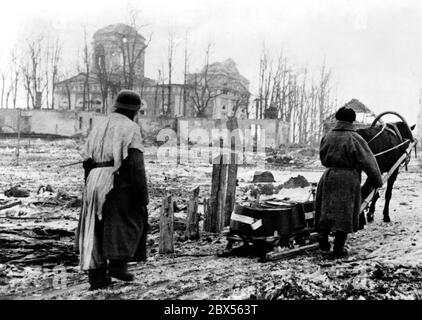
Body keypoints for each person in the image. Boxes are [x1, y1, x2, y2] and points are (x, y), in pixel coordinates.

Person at [75, 89, 149, 290]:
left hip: (93, 179)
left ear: (116, 107)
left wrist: (90, 186)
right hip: (116, 180)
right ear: (134, 112)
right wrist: (142, 196)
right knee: (126, 219)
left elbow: (86, 160)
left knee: (94, 227)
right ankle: (118, 265)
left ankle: (97, 278)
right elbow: (135, 164)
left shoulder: (99, 125)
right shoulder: (131, 128)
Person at [315, 107, 383, 258]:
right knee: (344, 213)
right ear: (352, 120)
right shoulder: (355, 138)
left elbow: (322, 157)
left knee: (326, 209)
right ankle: (338, 248)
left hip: (329, 176)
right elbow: (368, 161)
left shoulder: (328, 136)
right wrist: (377, 180)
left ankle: (323, 240)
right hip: (347, 179)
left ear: (338, 119)